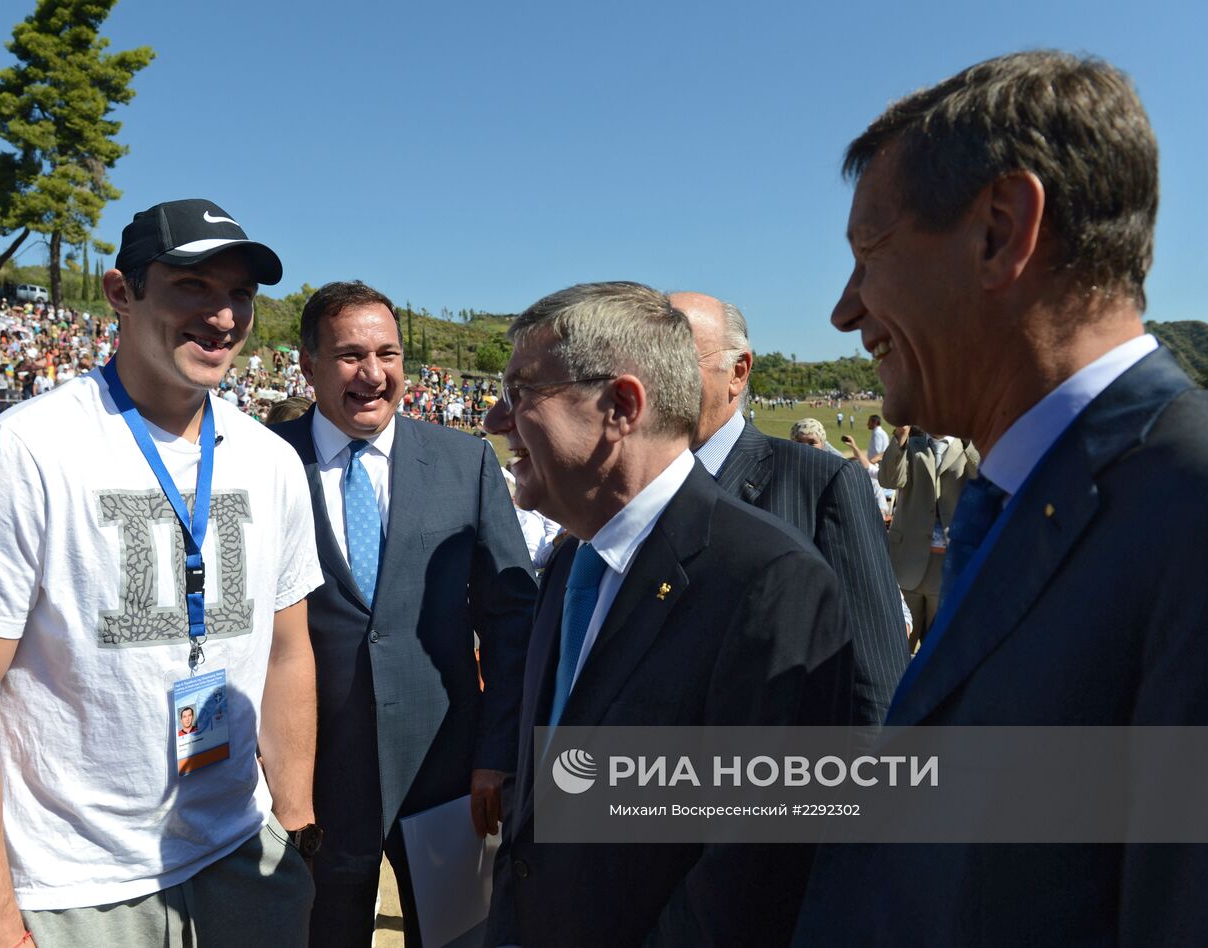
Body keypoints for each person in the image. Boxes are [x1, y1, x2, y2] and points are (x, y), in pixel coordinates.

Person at [793, 51, 1208, 946]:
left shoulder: (1206, 511)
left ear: (1000, 231)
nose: (845, 310)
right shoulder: (1027, 492)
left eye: (868, 254)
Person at [0, 198, 324, 947]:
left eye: (239, 294)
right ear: (120, 293)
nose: (224, 317)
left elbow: (289, 648)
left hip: (240, 856)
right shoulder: (24, 453)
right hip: (75, 888)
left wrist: (293, 816)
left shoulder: (269, 461)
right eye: (193, 287)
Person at [483, 282, 851, 947]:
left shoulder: (767, 583)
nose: (494, 421)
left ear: (621, 405)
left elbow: (747, 877)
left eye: (521, 393)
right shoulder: (572, 565)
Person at [269, 281, 536, 948]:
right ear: (307, 366)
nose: (373, 374)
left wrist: (496, 754)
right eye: (350, 355)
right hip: (313, 785)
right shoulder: (261, 463)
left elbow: (511, 620)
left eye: (388, 354)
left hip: (448, 779)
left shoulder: (464, 460)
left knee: (460, 938)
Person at [673, 291, 907, 731]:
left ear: (737, 372)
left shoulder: (820, 483)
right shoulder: (632, 492)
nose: (653, 379)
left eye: (675, 361)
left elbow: (875, 679)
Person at [877, 425, 978, 648]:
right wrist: (901, 437)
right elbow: (889, 480)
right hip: (906, 560)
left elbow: (981, 476)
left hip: (949, 562)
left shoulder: (967, 445)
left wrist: (969, 441)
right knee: (897, 645)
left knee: (939, 647)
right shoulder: (911, 445)